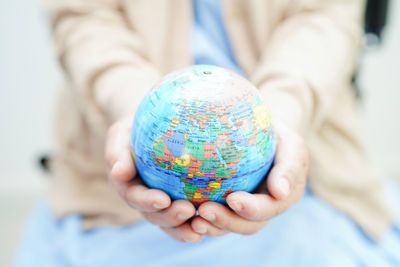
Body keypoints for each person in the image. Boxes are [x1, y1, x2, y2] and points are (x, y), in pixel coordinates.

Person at [13, 0, 400, 266]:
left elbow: (326, 19)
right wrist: (141, 108)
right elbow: (85, 20)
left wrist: (280, 112)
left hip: (303, 157)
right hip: (112, 179)